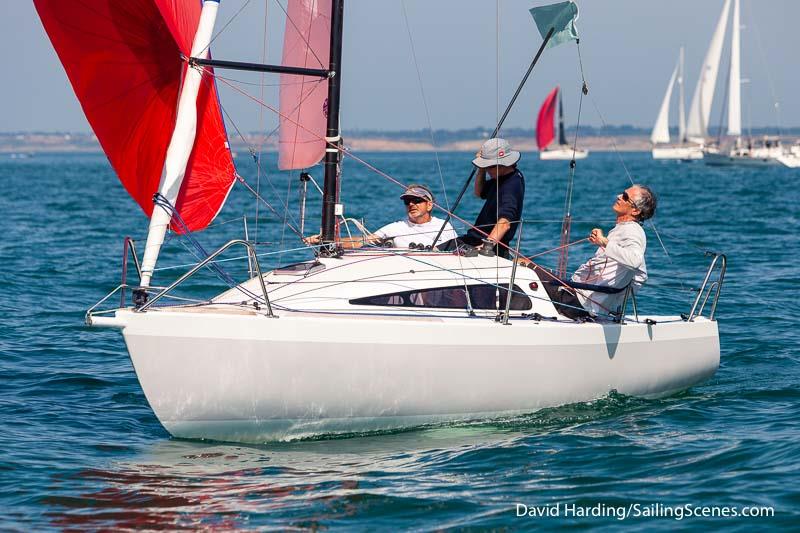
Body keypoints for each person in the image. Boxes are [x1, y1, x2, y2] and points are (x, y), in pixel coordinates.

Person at [535, 184, 657, 320]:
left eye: (625, 196)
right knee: (527, 267)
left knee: (526, 269)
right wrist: (612, 301)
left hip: (578, 304)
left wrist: (604, 242)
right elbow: (641, 276)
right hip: (584, 301)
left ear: (635, 211)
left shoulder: (632, 231)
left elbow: (635, 261)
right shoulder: (624, 229)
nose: (618, 196)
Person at [437, 138, 525, 257]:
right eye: (486, 166)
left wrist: (485, 247)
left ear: (505, 162)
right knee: (432, 252)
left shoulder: (511, 185)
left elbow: (504, 223)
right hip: (471, 239)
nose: (488, 170)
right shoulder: (500, 176)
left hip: (489, 246)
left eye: (490, 166)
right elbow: (479, 192)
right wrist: (481, 168)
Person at [304, 184, 457, 249]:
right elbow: (362, 241)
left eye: (417, 201)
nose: (411, 204)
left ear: (429, 205)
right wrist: (327, 240)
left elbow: (459, 251)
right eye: (407, 201)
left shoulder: (444, 226)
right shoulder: (396, 227)